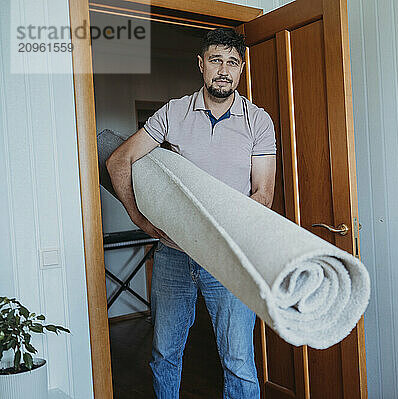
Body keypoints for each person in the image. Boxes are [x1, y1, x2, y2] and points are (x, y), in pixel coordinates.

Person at [106, 27, 276, 399]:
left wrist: (224, 235)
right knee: (164, 354)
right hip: (174, 256)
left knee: (239, 363)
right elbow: (119, 159)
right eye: (216, 60)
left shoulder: (258, 121)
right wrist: (139, 219)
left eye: (232, 62)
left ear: (241, 69)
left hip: (230, 258)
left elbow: (262, 195)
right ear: (201, 65)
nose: (224, 70)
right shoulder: (174, 112)